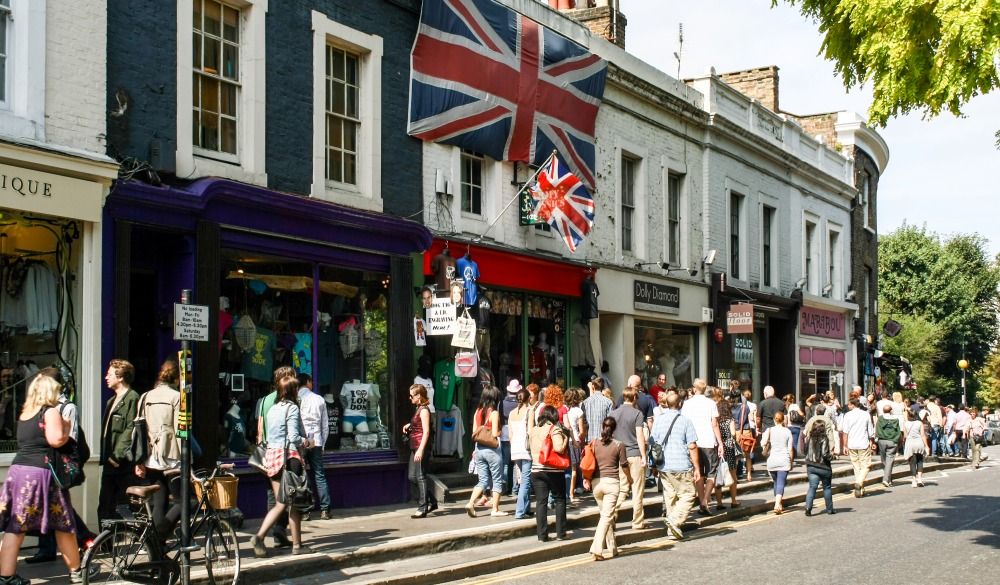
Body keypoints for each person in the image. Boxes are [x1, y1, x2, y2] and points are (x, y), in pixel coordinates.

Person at [0, 374, 84, 584]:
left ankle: (6, 576)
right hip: (41, 473)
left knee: (16, 525)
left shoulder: (26, 413)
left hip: (18, 471)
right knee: (64, 524)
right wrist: (65, 427)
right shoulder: (50, 411)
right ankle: (77, 572)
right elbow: (56, 440)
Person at [26, 368, 95, 564]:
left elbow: (69, 439)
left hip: (57, 464)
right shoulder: (42, 406)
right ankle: (49, 548)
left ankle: (85, 538)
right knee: (52, 506)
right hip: (44, 463)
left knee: (58, 507)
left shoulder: (67, 407)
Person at [250, 376, 313, 557]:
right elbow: (294, 436)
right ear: (293, 391)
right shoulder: (292, 408)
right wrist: (308, 442)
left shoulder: (273, 409)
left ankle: (260, 536)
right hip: (289, 458)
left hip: (272, 457)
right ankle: (298, 546)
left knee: (280, 502)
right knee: (295, 503)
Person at [134, 359, 182, 540]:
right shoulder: (177, 397)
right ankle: (157, 536)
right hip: (171, 456)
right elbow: (180, 431)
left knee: (159, 503)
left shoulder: (145, 396)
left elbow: (138, 430)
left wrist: (139, 461)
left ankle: (157, 551)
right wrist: (187, 461)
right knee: (182, 502)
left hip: (151, 457)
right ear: (176, 379)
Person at [650, 392, 700, 541]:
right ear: (680, 404)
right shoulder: (685, 421)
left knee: (670, 496)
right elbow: (692, 446)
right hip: (681, 465)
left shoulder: (659, 420)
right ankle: (675, 519)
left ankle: (672, 531)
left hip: (664, 465)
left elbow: (653, 443)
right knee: (688, 494)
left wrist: (654, 465)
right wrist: (697, 468)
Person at [256, 366, 296, 547]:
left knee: (272, 496)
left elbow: (259, 430)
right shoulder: (292, 400)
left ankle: (273, 532)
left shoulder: (264, 401)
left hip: (267, 453)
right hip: (286, 452)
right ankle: (279, 531)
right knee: (289, 496)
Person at [99, 359, 140, 524]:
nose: (106, 377)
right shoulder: (111, 401)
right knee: (105, 505)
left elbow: (131, 428)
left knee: (134, 504)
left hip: (122, 463)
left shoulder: (132, 398)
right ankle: (106, 545)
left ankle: (145, 538)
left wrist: (117, 455)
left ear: (121, 377)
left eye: (109, 374)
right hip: (110, 461)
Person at [585, 417, 631, 560]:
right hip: (611, 484)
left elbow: (588, 462)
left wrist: (586, 479)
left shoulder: (594, 443)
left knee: (606, 516)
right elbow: (624, 464)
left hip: (596, 484)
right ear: (615, 429)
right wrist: (630, 478)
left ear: (602, 426)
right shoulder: (619, 445)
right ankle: (597, 548)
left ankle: (612, 547)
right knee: (606, 517)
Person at [680, 378, 723, 516]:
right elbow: (714, 424)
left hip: (693, 442)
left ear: (694, 388)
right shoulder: (711, 403)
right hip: (708, 441)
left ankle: (701, 502)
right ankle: (705, 501)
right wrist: (720, 443)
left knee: (698, 473)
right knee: (712, 473)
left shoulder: (687, 404)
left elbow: (684, 424)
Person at [529, 405, 569, 541]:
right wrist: (566, 440)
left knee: (541, 503)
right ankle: (561, 533)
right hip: (553, 470)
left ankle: (542, 535)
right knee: (560, 499)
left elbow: (527, 447)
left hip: (536, 469)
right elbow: (558, 448)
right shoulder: (555, 429)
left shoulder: (534, 430)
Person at [611, 386, 648, 530]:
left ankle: (612, 515)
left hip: (620, 456)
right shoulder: (637, 414)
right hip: (634, 454)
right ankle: (637, 522)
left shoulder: (614, 413)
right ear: (634, 398)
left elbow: (612, 435)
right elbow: (640, 436)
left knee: (621, 488)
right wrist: (644, 455)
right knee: (637, 489)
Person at [466, 385, 505, 517]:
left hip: (479, 449)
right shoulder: (494, 413)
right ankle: (495, 509)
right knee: (497, 480)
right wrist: (500, 430)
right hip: (492, 450)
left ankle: (471, 503)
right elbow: (494, 433)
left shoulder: (477, 411)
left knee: (482, 480)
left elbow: (474, 432)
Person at [296, 373, 331, 521]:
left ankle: (305, 510)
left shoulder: (296, 399)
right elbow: (325, 425)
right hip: (316, 440)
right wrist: (323, 443)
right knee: (319, 475)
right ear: (308, 382)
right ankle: (325, 510)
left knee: (302, 476)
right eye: (311, 382)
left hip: (301, 442)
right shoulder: (319, 399)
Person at [404, 383, 437, 518]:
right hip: (415, 446)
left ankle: (423, 507)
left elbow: (426, 432)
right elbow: (418, 426)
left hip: (420, 447)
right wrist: (409, 425)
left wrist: (421, 450)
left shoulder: (424, 410)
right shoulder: (418, 408)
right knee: (412, 476)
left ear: (418, 396)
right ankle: (432, 501)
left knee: (420, 475)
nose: (410, 398)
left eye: (411, 395)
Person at [508, 387, 535, 519]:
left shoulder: (512, 413)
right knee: (525, 481)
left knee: (522, 480)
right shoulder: (530, 412)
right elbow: (530, 432)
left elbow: (510, 435)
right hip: (526, 449)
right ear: (528, 398)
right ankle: (519, 511)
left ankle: (527, 508)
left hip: (515, 449)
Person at [841, 397, 875, 497]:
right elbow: (870, 430)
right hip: (863, 443)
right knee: (866, 465)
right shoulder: (865, 414)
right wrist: (872, 441)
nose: (848, 406)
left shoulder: (847, 415)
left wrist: (845, 446)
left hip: (852, 444)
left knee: (856, 466)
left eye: (849, 404)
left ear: (853, 405)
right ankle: (859, 483)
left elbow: (845, 431)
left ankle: (860, 489)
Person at [803, 418, 836, 516]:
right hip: (823, 467)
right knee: (827, 488)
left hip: (811, 466)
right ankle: (830, 510)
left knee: (812, 487)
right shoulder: (824, 438)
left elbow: (805, 451)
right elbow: (825, 454)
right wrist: (834, 457)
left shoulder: (808, 438)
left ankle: (808, 508)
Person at [761, 411, 793, 514]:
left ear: (774, 419)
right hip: (784, 459)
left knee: (776, 482)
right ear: (783, 420)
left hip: (772, 460)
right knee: (781, 482)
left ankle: (779, 503)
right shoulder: (787, 431)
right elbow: (790, 449)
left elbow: (762, 443)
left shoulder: (769, 430)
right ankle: (776, 504)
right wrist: (791, 461)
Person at [713, 392, 740, 508]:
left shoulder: (715, 421)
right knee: (732, 475)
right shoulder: (730, 420)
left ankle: (719, 503)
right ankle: (734, 500)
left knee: (718, 475)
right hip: (729, 447)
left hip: (718, 447)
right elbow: (733, 433)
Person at [500, 380, 521, 497]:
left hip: (504, 434)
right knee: (515, 464)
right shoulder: (520, 403)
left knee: (506, 463)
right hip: (517, 434)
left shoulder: (502, 403)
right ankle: (515, 488)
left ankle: (505, 487)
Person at [565, 387, 586, 506]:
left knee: (566, 469)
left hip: (564, 440)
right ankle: (571, 494)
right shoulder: (578, 411)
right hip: (574, 441)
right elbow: (581, 430)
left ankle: (566, 493)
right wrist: (581, 442)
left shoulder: (563, 409)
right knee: (574, 469)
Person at [875, 403, 902, 487]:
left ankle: (887, 479)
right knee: (889, 461)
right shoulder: (896, 419)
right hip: (892, 441)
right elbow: (899, 431)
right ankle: (887, 479)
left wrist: (875, 439)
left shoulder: (880, 419)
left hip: (882, 441)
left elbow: (876, 429)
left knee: (884, 460)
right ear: (891, 411)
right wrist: (899, 441)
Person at [903, 408, 930, 486]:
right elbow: (923, 435)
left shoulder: (905, 423)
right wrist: (927, 446)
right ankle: (920, 479)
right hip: (919, 443)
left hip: (910, 443)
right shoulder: (919, 423)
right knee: (920, 461)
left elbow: (905, 436)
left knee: (912, 462)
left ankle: (914, 481)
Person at [582, 377, 613, 443]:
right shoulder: (608, 402)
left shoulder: (585, 402)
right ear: (603, 386)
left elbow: (583, 422)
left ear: (593, 386)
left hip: (589, 439)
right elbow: (610, 422)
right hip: (603, 439)